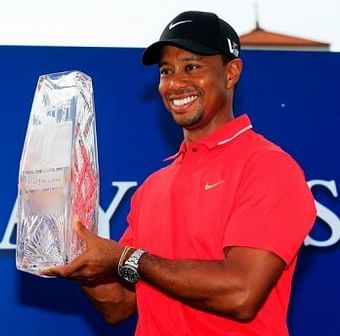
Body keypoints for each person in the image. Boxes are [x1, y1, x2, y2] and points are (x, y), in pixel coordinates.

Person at [42, 10, 316, 335]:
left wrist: (126, 257)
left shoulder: (269, 168)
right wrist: (74, 254)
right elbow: (119, 305)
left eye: (192, 67)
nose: (175, 83)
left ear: (231, 73)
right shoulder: (152, 189)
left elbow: (240, 292)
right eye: (166, 71)